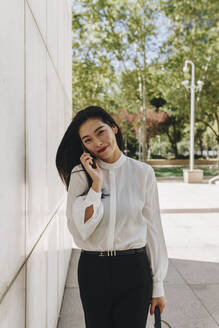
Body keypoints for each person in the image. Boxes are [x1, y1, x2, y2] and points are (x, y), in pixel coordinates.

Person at [56, 105, 168, 328]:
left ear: (114, 129)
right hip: (93, 270)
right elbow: (81, 230)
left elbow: (153, 229)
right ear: (83, 146)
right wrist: (96, 186)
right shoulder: (81, 174)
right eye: (87, 140)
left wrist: (158, 285)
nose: (97, 142)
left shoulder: (143, 173)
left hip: (134, 270)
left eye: (100, 132)